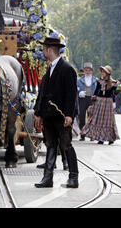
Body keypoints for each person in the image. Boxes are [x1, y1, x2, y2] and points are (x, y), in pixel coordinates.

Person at [34, 36, 79, 188]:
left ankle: (73, 178)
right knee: (50, 144)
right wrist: (39, 113)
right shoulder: (49, 70)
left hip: (61, 116)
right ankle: (48, 178)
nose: (42, 52)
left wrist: (69, 115)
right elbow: (43, 94)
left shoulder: (67, 69)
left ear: (50, 50)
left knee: (66, 145)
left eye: (44, 49)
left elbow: (71, 95)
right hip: (48, 116)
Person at [81, 65, 119, 145]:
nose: (102, 73)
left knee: (109, 121)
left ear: (108, 73)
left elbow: (114, 94)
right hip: (100, 101)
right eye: (102, 71)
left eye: (104, 72)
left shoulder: (113, 82)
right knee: (99, 119)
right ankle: (100, 138)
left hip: (108, 102)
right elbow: (96, 91)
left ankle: (110, 138)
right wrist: (94, 96)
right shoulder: (99, 81)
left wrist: (118, 90)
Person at [77, 62, 98, 141]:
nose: (88, 71)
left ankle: (92, 135)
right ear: (84, 71)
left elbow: (98, 90)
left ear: (91, 71)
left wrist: (95, 95)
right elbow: (76, 89)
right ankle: (83, 134)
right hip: (83, 99)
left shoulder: (95, 80)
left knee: (92, 117)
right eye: (86, 70)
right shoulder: (79, 80)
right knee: (81, 116)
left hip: (91, 99)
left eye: (89, 70)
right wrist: (79, 93)